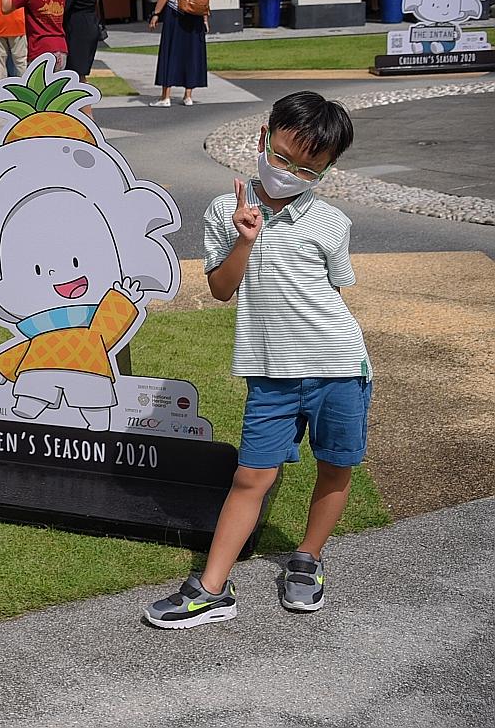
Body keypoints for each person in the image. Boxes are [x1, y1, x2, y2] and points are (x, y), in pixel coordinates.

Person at [145, 91, 366, 629]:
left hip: (338, 365)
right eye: (285, 156)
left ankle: (307, 560)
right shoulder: (226, 210)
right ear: (265, 138)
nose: (292, 172)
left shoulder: (332, 222)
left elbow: (333, 296)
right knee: (251, 475)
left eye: (309, 168)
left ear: (327, 169)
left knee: (335, 468)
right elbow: (222, 289)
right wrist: (246, 239)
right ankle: (211, 588)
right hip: (269, 374)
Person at [59, 0, 101, 119]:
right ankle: (82, 114)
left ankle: (87, 116)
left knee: (76, 74)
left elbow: (65, 5)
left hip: (77, 26)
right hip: (90, 22)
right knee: (80, 72)